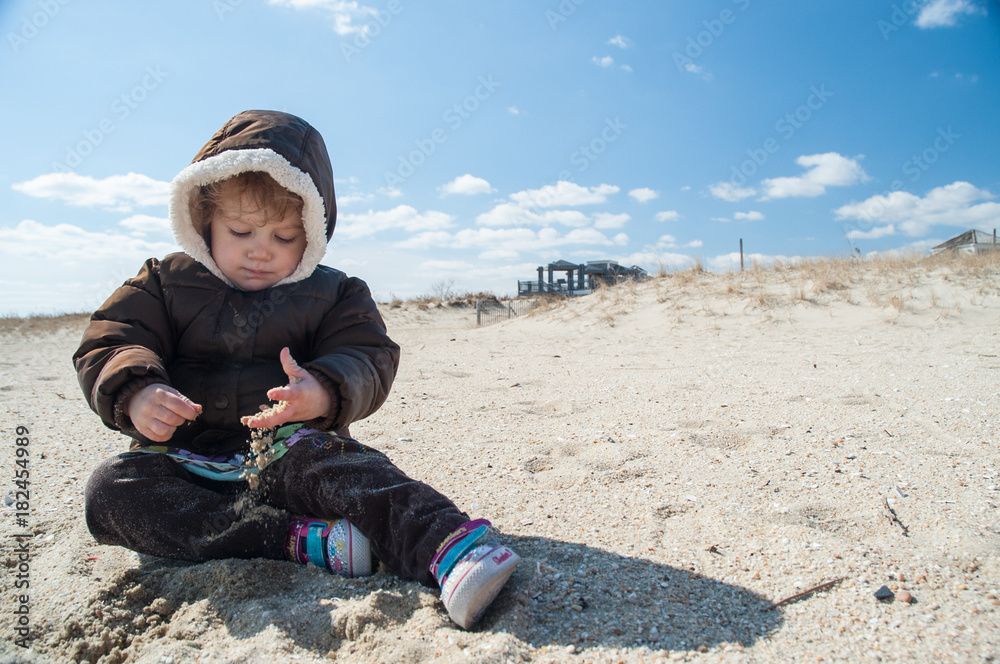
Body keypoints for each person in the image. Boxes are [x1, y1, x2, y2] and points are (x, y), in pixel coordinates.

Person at [75, 110, 519, 630]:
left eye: (285, 237)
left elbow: (367, 353)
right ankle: (297, 541)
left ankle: (449, 548)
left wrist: (325, 391)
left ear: (313, 231)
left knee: (352, 473)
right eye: (241, 230)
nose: (261, 251)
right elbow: (113, 338)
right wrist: (137, 390)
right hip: (180, 460)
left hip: (288, 451)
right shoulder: (164, 281)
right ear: (204, 219)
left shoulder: (334, 292)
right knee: (110, 492)